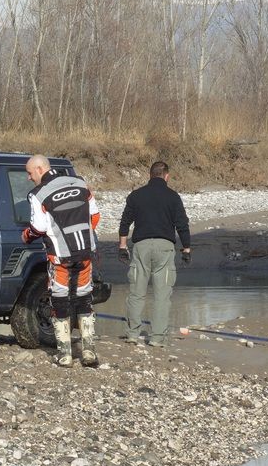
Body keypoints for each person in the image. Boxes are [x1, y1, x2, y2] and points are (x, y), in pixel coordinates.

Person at [21, 154, 101, 368]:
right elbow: (94, 217)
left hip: (59, 257)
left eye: (29, 173)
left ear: (39, 169)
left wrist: (26, 235)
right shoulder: (81, 183)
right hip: (85, 253)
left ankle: (65, 354)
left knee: (59, 299)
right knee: (84, 298)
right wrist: (82, 237)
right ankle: (89, 352)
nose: (29, 178)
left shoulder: (38, 194)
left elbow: (38, 228)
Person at [118, 161, 191, 347]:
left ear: (150, 175)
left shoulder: (136, 196)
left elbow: (125, 222)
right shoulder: (173, 197)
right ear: (166, 176)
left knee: (136, 293)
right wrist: (187, 248)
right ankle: (157, 338)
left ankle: (133, 334)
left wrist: (122, 246)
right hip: (164, 248)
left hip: (141, 247)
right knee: (162, 295)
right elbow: (182, 224)